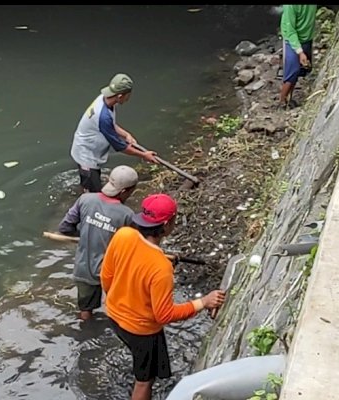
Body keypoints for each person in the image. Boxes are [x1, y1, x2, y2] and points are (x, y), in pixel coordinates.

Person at [100, 193, 226, 400]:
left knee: (141, 362)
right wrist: (202, 302)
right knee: (144, 381)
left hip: (114, 316)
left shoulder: (123, 234)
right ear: (166, 225)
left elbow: (106, 277)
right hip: (142, 331)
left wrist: (120, 299)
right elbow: (164, 315)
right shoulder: (161, 267)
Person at [58, 165, 139, 321]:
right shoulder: (127, 215)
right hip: (111, 272)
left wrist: (85, 233)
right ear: (124, 192)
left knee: (85, 310)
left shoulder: (85, 199)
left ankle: (87, 332)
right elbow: (132, 246)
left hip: (83, 268)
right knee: (118, 307)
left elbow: (65, 227)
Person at [70, 73, 158, 193]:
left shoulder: (106, 99)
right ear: (120, 96)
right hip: (86, 155)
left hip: (91, 148)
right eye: (128, 95)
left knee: (91, 183)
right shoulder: (103, 116)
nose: (128, 98)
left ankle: (84, 189)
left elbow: (110, 125)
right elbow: (120, 146)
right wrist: (144, 155)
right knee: (94, 193)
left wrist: (126, 134)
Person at [278, 4, 317, 109]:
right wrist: (300, 52)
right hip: (291, 40)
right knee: (292, 71)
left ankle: (289, 99)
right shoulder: (290, 6)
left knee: (301, 69)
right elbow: (290, 31)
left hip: (306, 38)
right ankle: (282, 102)